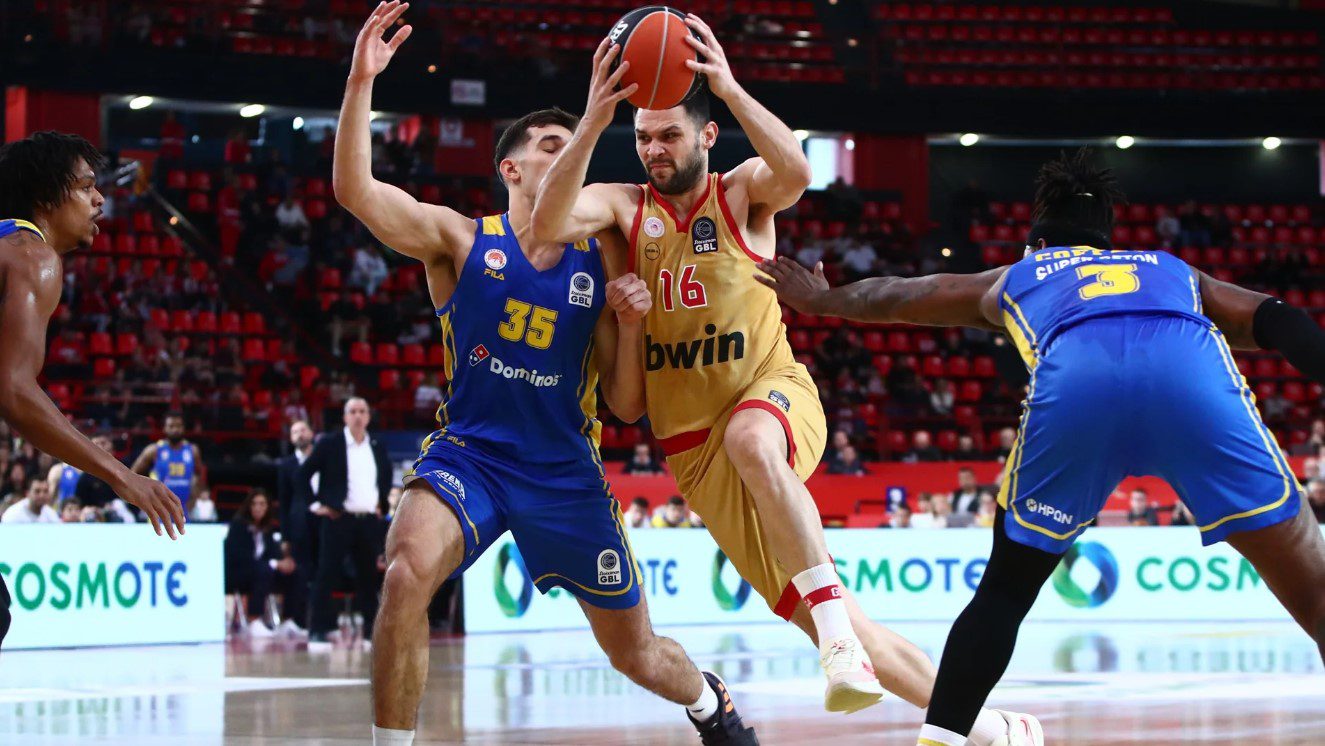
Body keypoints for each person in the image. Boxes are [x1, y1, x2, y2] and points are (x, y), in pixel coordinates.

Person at [759, 148, 1325, 746]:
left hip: (1081, 388)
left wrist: (823, 300)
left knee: (1004, 592)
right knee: (1313, 585)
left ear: (1039, 243)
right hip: (1192, 384)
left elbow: (903, 294)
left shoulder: (1019, 276)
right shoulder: (1170, 269)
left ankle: (941, 740)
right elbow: (1276, 319)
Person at [530, 16, 993, 723]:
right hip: (693, 449)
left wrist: (729, 86)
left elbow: (797, 172)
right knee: (840, 623)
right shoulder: (624, 207)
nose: (654, 149)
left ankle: (836, 638)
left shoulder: (739, 192)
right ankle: (990, 726)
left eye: (670, 135)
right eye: (645, 136)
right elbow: (547, 223)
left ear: (707, 136)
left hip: (769, 392)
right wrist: (594, 118)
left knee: (752, 442)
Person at [332, 6, 754, 744]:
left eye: (575, 145)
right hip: (471, 454)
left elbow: (626, 407)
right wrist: (360, 82)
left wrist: (630, 324)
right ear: (511, 169)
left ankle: (706, 701)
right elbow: (356, 192)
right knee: (403, 573)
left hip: (563, 469)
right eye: (551, 145)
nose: (567, 156)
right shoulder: (460, 240)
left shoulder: (606, 257)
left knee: (637, 655)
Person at [0, 132, 185, 648]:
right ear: (46, 196)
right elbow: (13, 391)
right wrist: (122, 476)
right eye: (85, 187)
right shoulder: (32, 256)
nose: (100, 198)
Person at [298, 398, 392, 649]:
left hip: (368, 520)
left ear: (368, 416)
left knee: (368, 578)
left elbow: (385, 475)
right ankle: (317, 630)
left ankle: (371, 633)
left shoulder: (376, 445)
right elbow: (303, 474)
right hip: (339, 519)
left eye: (362, 411)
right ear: (344, 417)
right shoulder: (330, 443)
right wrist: (315, 505)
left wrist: (382, 504)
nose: (358, 416)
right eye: (353, 411)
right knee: (326, 574)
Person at [224, 489, 306, 638]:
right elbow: (240, 557)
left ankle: (289, 620)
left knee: (296, 572)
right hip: (238, 574)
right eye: (254, 504)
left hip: (263, 573)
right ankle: (254, 619)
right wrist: (274, 564)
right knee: (263, 569)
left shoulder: (267, 528)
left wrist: (285, 562)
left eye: (262, 504)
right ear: (248, 506)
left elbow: (274, 554)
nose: (258, 508)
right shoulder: (238, 525)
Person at [131, 412, 206, 514]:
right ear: (164, 428)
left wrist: (195, 495)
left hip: (185, 510)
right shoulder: (154, 450)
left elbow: (199, 475)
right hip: (158, 511)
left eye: (178, 426)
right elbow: (132, 474)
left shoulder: (192, 451)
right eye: (171, 426)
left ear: (183, 428)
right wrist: (145, 495)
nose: (175, 430)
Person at [277, 419, 319, 573]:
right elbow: (284, 501)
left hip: (324, 523)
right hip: (299, 527)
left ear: (311, 433)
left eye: (302, 430)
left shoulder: (323, 459)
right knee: (302, 571)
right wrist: (285, 537)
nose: (299, 435)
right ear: (291, 438)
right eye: (295, 432)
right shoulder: (286, 465)